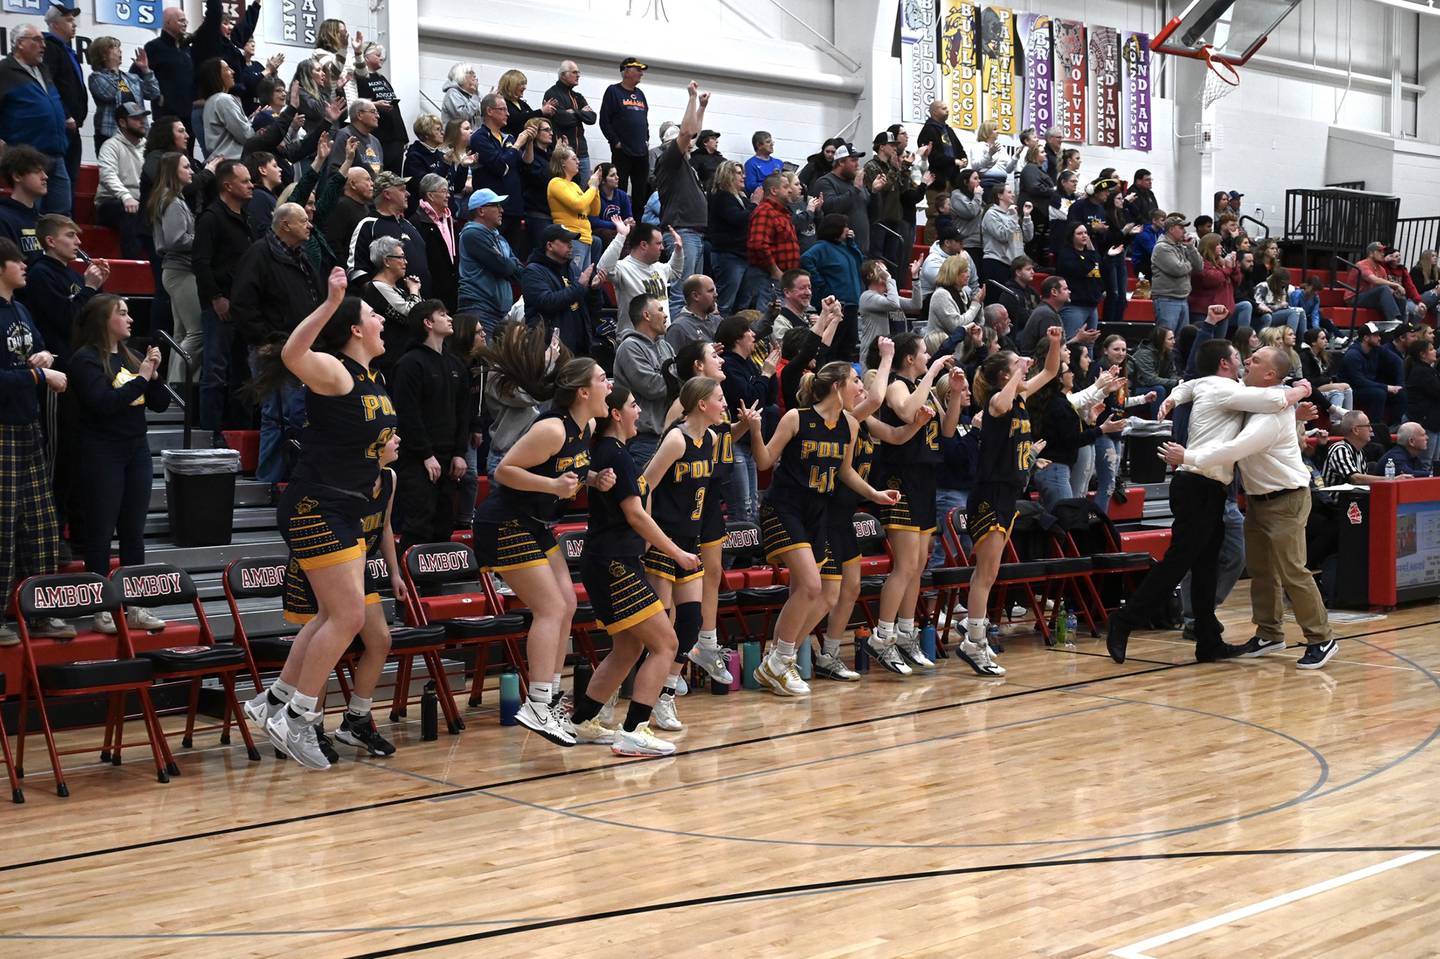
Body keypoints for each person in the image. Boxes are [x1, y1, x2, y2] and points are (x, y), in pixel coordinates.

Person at [244, 268, 393, 767]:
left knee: (332, 615)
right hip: (316, 504)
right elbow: (291, 355)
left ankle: (276, 701)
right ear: (355, 329)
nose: (382, 320)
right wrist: (331, 301)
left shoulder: (374, 377)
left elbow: (358, 441)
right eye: (373, 315)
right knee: (350, 616)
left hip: (346, 503)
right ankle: (298, 717)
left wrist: (381, 456)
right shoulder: (336, 370)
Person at [1110, 339, 1307, 664]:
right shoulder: (1224, 388)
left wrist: (1172, 398)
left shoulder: (1208, 383)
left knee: (1205, 568)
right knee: (1179, 562)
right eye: (1238, 356)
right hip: (1197, 482)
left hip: (1207, 486)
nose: (1244, 360)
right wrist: (1301, 389)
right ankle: (1125, 620)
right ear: (1225, 365)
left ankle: (1208, 640)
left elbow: (1186, 386)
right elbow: (1277, 398)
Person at [1161, 345, 1338, 669]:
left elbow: (1234, 448)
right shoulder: (1251, 395)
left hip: (1286, 498)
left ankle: (1321, 638)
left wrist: (1187, 457)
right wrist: (1173, 396)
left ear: (1270, 374)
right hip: (1259, 498)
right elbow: (1198, 385)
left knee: (1292, 571)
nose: (1247, 360)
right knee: (1261, 569)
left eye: (1255, 360)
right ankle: (1270, 633)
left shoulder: (1270, 415)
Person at [473, 345, 614, 745]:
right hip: (503, 522)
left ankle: (550, 698)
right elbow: (504, 471)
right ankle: (536, 702)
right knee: (550, 607)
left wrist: (591, 480)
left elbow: (564, 469)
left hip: (534, 522)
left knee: (567, 604)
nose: (610, 384)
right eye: (604, 378)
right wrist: (553, 486)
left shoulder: (584, 429)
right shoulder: (551, 428)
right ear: (583, 391)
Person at [747, 361, 900, 697]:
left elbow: (845, 471)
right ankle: (778, 662)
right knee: (813, 586)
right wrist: (755, 430)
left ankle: (777, 663)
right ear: (837, 386)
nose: (860, 388)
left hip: (817, 512)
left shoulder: (849, 425)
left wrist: (874, 494)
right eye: (855, 381)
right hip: (784, 508)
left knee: (809, 590)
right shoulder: (796, 418)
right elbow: (763, 462)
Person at [569, 385, 691, 755]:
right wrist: (677, 552)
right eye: (635, 405)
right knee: (666, 643)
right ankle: (634, 729)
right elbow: (635, 514)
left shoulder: (615, 452)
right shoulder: (615, 454)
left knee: (628, 646)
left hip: (611, 560)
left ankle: (583, 721)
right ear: (617, 414)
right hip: (613, 563)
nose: (640, 411)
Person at [958, 327, 1064, 675]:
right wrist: (1018, 371)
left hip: (1009, 496)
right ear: (1007, 375)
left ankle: (975, 638)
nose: (1027, 369)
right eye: (1019, 366)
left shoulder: (1019, 396)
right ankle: (974, 642)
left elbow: (1050, 372)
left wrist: (1055, 342)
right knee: (985, 574)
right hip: (989, 496)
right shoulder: (996, 403)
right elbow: (999, 402)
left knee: (991, 572)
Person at [65, 294, 168, 632]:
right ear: (103, 320)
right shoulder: (84, 361)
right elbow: (103, 403)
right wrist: (140, 377)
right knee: (100, 532)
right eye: (121, 313)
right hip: (101, 451)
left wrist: (154, 374)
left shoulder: (131, 355)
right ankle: (101, 608)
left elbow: (160, 404)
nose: (130, 319)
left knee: (133, 533)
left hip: (136, 450)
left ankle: (134, 605)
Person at [866, 333, 965, 673]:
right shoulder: (897, 385)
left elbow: (948, 430)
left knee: (919, 564)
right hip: (901, 480)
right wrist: (935, 370)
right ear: (910, 359)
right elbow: (908, 413)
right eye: (924, 353)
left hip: (926, 480)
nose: (927, 357)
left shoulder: (923, 387)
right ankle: (883, 635)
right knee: (905, 565)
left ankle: (906, 633)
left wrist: (952, 393)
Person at [638, 377, 727, 730]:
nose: (725, 404)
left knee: (691, 623)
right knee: (662, 626)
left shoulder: (714, 439)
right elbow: (644, 485)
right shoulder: (676, 440)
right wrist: (646, 536)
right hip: (664, 540)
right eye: (719, 399)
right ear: (702, 404)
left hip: (690, 541)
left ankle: (666, 693)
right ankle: (639, 697)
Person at [0, 237, 76, 646]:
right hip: (2, 430)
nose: (24, 265)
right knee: (2, 527)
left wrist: (42, 358)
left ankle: (43, 611)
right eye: (17, 260)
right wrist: (39, 376)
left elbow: (27, 355)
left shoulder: (21, 308)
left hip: (28, 425)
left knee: (43, 526)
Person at [390, 299, 469, 552]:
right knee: (418, 524)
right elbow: (407, 414)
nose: (450, 318)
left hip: (449, 459)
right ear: (428, 323)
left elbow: (463, 412)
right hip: (416, 459)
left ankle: (439, 587)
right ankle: (413, 586)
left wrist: (459, 452)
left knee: (444, 523)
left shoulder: (455, 363)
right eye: (443, 314)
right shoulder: (410, 363)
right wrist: (426, 454)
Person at [193, 159, 255, 442]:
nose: (250, 184)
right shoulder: (211, 218)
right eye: (245, 181)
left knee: (242, 371)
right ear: (228, 186)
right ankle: (210, 431)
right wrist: (216, 298)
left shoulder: (245, 218)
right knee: (216, 369)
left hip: (243, 305)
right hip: (219, 306)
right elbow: (201, 263)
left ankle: (237, 430)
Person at [0, 23, 71, 215]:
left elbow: (50, 100)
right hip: (27, 157)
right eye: (37, 40)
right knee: (29, 214)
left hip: (56, 155)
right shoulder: (4, 71)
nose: (44, 45)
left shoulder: (43, 69)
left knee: (61, 215)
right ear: (20, 43)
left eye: (43, 40)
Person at [652, 82, 709, 316]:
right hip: (682, 232)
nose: (690, 143)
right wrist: (692, 98)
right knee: (681, 292)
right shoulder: (669, 160)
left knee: (693, 293)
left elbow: (691, 133)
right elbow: (687, 133)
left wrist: (702, 108)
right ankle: (676, 340)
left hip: (692, 232)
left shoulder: (683, 162)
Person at [470, 94, 537, 256]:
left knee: (513, 256)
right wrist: (517, 145)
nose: (508, 114)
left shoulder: (509, 138)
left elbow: (526, 165)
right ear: (490, 111)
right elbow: (500, 167)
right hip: (492, 209)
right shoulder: (479, 138)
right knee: (496, 255)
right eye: (503, 109)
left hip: (514, 206)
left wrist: (528, 144)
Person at [521, 224, 601, 356]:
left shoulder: (572, 268)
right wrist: (580, 286)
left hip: (579, 349)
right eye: (565, 241)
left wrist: (594, 290)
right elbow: (547, 302)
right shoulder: (533, 271)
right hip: (549, 351)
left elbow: (593, 309)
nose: (570, 245)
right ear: (549, 246)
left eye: (571, 241)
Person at [614, 294, 675, 467]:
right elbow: (654, 387)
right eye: (661, 310)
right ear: (646, 316)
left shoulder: (665, 346)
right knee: (644, 492)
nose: (665, 315)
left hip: (669, 434)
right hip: (644, 439)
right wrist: (684, 373)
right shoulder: (630, 347)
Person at [350, 171, 430, 294]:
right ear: (387, 194)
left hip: (422, 304)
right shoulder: (368, 225)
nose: (408, 194)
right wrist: (378, 297)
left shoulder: (409, 225)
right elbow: (356, 270)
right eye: (402, 190)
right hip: (389, 309)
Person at [456, 188, 522, 338]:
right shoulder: (472, 234)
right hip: (479, 309)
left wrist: (508, 263)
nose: (502, 210)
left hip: (500, 313)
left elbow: (518, 270)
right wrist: (509, 263)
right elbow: (504, 267)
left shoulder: (499, 238)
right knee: (485, 359)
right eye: (496, 205)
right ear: (481, 210)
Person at [598, 218, 681, 332]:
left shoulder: (658, 267)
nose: (662, 247)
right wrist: (621, 236)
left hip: (661, 341)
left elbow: (675, 271)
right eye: (658, 243)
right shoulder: (624, 268)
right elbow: (603, 269)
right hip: (634, 343)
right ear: (643, 245)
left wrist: (678, 250)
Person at [86, 36, 160, 154]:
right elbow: (109, 93)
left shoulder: (131, 78)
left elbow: (154, 93)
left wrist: (146, 70)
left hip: (137, 135)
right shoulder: (96, 77)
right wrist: (113, 70)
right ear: (103, 55)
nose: (120, 51)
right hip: (110, 136)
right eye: (115, 47)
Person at [93, 102, 148, 259]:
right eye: (136, 118)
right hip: (111, 203)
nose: (142, 122)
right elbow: (107, 175)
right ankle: (132, 265)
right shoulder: (110, 146)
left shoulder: (149, 147)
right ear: (122, 122)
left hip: (139, 203)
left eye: (143, 117)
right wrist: (125, 196)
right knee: (130, 213)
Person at [747, 171, 804, 311]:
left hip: (781, 277)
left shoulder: (782, 213)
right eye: (785, 187)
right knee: (765, 320)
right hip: (768, 278)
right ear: (774, 190)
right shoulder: (765, 211)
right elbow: (758, 244)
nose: (790, 190)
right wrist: (775, 270)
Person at [599, 57, 650, 203]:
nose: (641, 74)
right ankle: (620, 221)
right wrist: (615, 142)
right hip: (623, 151)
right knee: (620, 188)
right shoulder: (613, 91)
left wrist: (646, 139)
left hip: (641, 151)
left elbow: (644, 120)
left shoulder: (640, 94)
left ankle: (638, 223)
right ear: (626, 71)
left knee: (640, 191)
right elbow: (604, 121)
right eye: (638, 70)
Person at [546, 147, 603, 271]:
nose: (578, 161)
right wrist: (592, 188)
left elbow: (594, 211)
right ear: (563, 162)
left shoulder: (574, 186)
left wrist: (596, 188)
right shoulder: (556, 183)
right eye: (574, 158)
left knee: (583, 281)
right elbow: (579, 205)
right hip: (572, 239)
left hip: (586, 238)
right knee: (576, 280)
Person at [409, 173, 458, 310]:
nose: (448, 195)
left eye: (448, 191)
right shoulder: (416, 222)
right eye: (444, 191)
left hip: (453, 291)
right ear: (430, 195)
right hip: (432, 294)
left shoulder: (450, 220)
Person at [354, 43, 406, 174]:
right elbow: (357, 102)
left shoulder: (381, 78)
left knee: (394, 176)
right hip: (379, 134)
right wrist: (376, 105)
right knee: (378, 174)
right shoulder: (360, 78)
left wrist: (402, 137)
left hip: (395, 134)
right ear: (366, 56)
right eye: (377, 55)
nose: (381, 58)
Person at [544, 61, 597, 184]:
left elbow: (592, 118)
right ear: (563, 75)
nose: (578, 75)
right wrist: (581, 114)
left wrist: (574, 111)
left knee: (584, 190)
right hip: (564, 152)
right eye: (574, 72)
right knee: (566, 190)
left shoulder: (578, 96)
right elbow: (563, 119)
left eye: (578, 72)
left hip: (582, 152)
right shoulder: (552, 93)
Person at [858, 259, 921, 361]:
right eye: (880, 270)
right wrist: (889, 279)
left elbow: (916, 304)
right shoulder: (867, 297)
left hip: (895, 352)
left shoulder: (888, 296)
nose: (885, 273)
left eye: (886, 270)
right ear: (870, 275)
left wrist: (915, 278)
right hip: (874, 356)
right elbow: (893, 304)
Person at [1340, 321, 1401, 425]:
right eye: (1376, 336)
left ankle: (1396, 424)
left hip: (1368, 386)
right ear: (1366, 338)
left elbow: (1397, 361)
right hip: (1352, 390)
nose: (1380, 338)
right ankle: (1374, 426)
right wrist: (1386, 387)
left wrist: (1400, 384)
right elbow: (1359, 381)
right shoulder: (1352, 355)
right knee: (1379, 393)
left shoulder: (1376, 349)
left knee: (1399, 393)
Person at [144, 5, 193, 126]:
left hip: (189, 115)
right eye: (181, 20)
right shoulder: (153, 47)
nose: (185, 24)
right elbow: (136, 76)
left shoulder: (187, 48)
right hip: (165, 115)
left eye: (185, 20)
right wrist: (157, 97)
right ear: (168, 22)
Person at [1055, 222, 1105, 340]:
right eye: (1079, 233)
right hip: (1074, 306)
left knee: (1090, 343)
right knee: (1072, 341)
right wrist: (1092, 252)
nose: (1084, 236)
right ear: (1071, 236)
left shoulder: (1091, 254)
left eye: (1086, 233)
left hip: (1092, 305)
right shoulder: (1067, 255)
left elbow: (1099, 273)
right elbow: (1083, 269)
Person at [979, 183, 1033, 289]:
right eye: (1009, 192)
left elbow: (1027, 237)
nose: (1013, 195)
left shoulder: (1011, 215)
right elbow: (1002, 235)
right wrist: (1013, 217)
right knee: (998, 301)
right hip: (997, 263)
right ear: (999, 195)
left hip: (1013, 264)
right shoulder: (991, 214)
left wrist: (1026, 217)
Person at [925, 252, 982, 340]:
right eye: (965, 271)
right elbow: (956, 327)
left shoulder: (963, 292)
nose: (968, 275)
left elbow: (978, 322)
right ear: (954, 273)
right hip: (941, 347)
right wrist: (975, 305)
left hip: (962, 348)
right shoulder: (941, 295)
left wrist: (979, 303)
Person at [327, 98, 385, 178]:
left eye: (377, 112)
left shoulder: (376, 141)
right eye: (373, 112)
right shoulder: (344, 136)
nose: (378, 116)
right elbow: (335, 170)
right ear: (359, 115)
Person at [1405, 338, 1440, 466]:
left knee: (1435, 463)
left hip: (1434, 422)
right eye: (1431, 349)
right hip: (1425, 422)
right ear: (1422, 354)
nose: (1435, 351)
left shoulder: (1429, 370)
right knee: (1425, 462)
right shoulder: (1421, 372)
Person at [1353, 241, 1406, 322]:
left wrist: (1395, 293)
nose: (1383, 253)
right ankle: (1393, 320)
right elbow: (1374, 280)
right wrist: (1396, 285)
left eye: (1383, 251)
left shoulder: (1381, 269)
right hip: (1356, 297)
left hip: (1372, 298)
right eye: (1379, 251)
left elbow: (1387, 289)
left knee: (1399, 297)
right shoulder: (1362, 264)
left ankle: (1402, 326)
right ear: (1371, 253)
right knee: (1383, 288)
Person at [1132, 325, 1180, 402]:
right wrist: (1176, 382)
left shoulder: (1168, 353)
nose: (1174, 342)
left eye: (1173, 338)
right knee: (1159, 390)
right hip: (1135, 389)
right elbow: (1150, 380)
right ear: (1160, 341)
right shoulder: (1144, 354)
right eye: (1170, 339)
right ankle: (1158, 414)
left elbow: (1171, 373)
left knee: (1180, 388)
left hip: (1152, 386)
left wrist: (1181, 381)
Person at [440, 63, 483, 128]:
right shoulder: (452, 93)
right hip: (456, 137)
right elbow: (462, 116)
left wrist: (489, 102)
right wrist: (475, 96)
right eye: (471, 73)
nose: (474, 75)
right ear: (461, 75)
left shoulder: (474, 94)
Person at [744, 131, 783, 196]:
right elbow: (750, 186)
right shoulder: (751, 164)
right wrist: (771, 183)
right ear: (759, 145)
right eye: (768, 142)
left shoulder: (779, 163)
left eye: (772, 142)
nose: (772, 144)